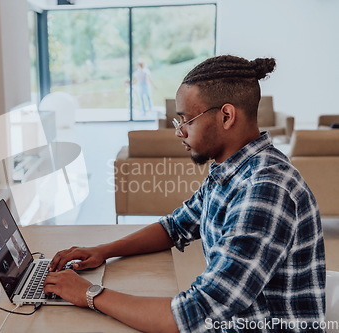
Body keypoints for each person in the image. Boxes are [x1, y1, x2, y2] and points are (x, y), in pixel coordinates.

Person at [44, 55, 326, 333]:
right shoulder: (230, 170)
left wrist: (90, 294)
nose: (179, 132)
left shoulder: (265, 190)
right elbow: (176, 226)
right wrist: (102, 251)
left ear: (227, 116)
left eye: (186, 120)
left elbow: (192, 315)